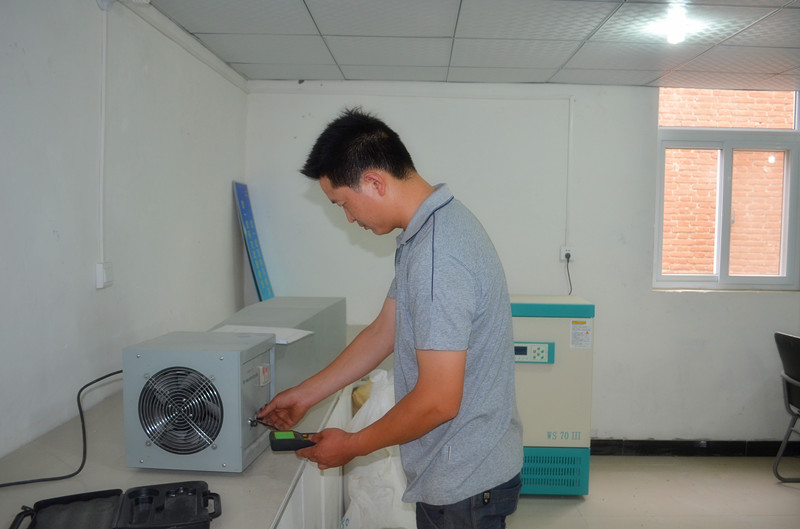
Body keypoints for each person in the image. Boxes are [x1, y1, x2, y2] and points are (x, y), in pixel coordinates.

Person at [258, 107, 523, 528]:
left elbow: (438, 400)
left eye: (344, 204)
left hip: (464, 484)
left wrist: (352, 445)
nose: (349, 218)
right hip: (466, 466)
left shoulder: (438, 256)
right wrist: (306, 394)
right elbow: (385, 330)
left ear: (375, 182)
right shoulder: (430, 231)